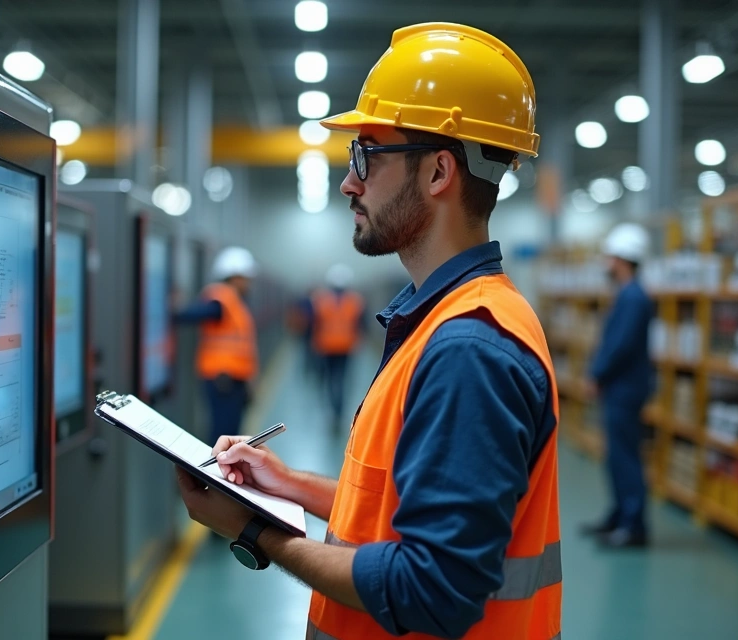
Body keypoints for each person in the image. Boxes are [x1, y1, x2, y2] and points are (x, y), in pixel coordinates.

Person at [175, 22, 561, 640]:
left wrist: (255, 532)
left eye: (367, 156)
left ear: (439, 173)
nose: (349, 182)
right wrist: (289, 485)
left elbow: (431, 591)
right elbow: (398, 511)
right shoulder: (443, 319)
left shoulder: (468, 348)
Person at [582, 222, 656, 549]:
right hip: (621, 387)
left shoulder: (634, 297)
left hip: (625, 388)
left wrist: (597, 374)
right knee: (616, 455)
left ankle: (633, 525)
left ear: (622, 259)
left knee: (625, 456)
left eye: (610, 257)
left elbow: (620, 345)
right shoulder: (628, 295)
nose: (606, 263)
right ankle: (619, 516)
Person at [173, 246, 259, 442]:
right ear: (234, 276)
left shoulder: (235, 301)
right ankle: (215, 472)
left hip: (234, 379)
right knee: (223, 433)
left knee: (231, 433)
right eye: (246, 278)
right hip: (222, 379)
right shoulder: (222, 297)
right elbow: (195, 314)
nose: (248, 284)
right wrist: (176, 310)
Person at [310, 264, 366, 428]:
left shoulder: (320, 299)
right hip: (346, 347)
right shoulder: (355, 300)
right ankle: (338, 411)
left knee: (330, 380)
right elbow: (361, 324)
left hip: (326, 346)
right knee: (341, 379)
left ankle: (335, 409)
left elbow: (314, 324)